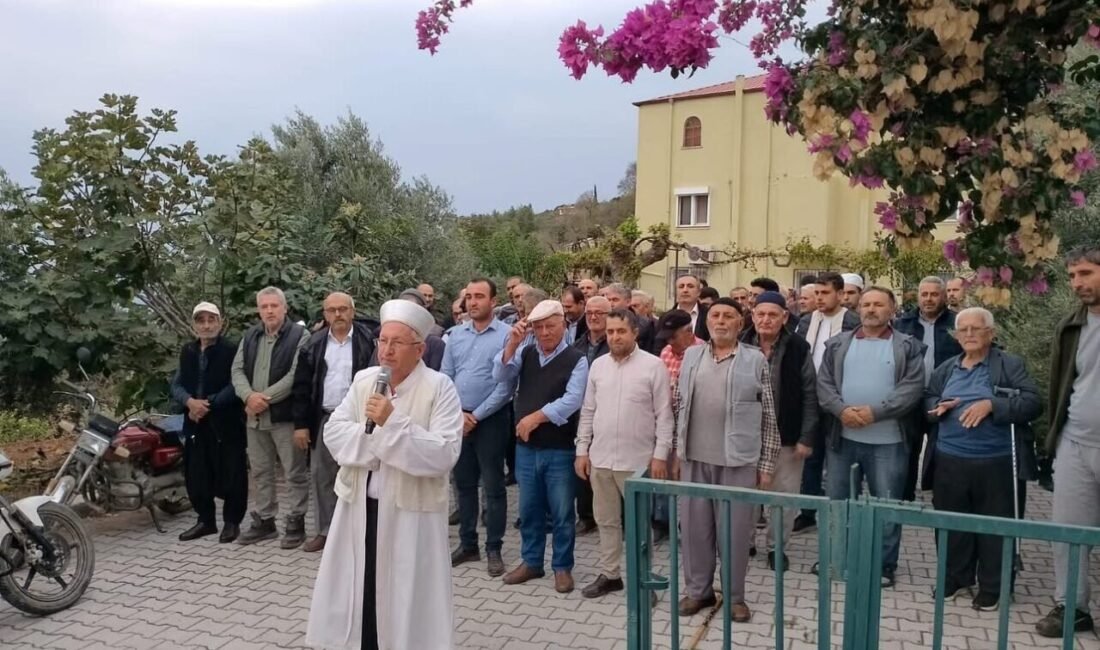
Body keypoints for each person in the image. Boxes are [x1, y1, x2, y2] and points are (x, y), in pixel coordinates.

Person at [306, 299, 462, 650]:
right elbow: (335, 433)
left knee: (406, 597)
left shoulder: (440, 388)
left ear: (420, 349)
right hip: (360, 509)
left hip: (410, 514)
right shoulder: (365, 380)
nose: (386, 351)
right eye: (382, 341)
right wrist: (381, 444)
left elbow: (444, 453)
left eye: (397, 343)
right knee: (361, 593)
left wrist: (392, 423)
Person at [925, 307, 1041, 611]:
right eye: (963, 329)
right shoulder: (948, 367)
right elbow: (928, 398)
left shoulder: (1009, 365)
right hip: (950, 459)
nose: (969, 334)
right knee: (952, 523)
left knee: (995, 526)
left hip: (997, 460)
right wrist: (939, 406)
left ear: (991, 333)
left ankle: (994, 586)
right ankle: (955, 578)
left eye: (977, 329)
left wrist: (992, 405)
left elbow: (1032, 402)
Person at [675, 298, 781, 622]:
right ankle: (698, 592)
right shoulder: (691, 355)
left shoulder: (754, 360)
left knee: (734, 533)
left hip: (738, 461)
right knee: (694, 532)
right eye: (716, 315)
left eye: (729, 316)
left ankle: (735, 596)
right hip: (694, 459)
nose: (721, 321)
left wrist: (765, 465)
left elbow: (768, 417)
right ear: (707, 322)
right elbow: (679, 404)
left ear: (740, 322)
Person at [816, 286, 925, 588]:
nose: (871, 310)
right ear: (858, 309)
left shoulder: (907, 346)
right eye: (866, 304)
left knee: (887, 506)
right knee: (838, 502)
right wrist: (842, 410)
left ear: (893, 310)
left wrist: (875, 412)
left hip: (888, 443)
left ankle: (883, 565)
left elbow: (912, 389)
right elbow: (824, 385)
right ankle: (837, 557)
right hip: (843, 439)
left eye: (879, 304)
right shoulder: (838, 344)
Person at [576, 309, 674, 598]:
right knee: (606, 521)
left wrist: (660, 455)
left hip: (637, 461)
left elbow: (664, 415)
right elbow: (588, 411)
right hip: (601, 458)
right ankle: (611, 574)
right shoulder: (598, 366)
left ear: (635, 333)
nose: (615, 337)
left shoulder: (653, 366)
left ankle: (643, 580)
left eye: (621, 331)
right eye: (610, 332)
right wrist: (582, 450)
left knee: (639, 526)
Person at [494, 300, 589, 593]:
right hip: (527, 448)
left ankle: (562, 567)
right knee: (530, 509)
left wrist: (535, 417)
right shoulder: (526, 352)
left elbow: (573, 399)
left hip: (560, 448)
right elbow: (501, 377)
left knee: (561, 512)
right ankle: (532, 562)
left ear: (564, 324)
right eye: (539, 327)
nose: (545, 332)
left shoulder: (577, 359)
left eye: (551, 325)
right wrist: (511, 344)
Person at [1035, 245, 1100, 638]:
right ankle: (1072, 608)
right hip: (1076, 443)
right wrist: (1055, 439)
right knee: (1068, 531)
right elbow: (1062, 384)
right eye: (1073, 275)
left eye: (1087, 273)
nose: (1077, 283)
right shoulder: (1072, 325)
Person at [292, 292, 377, 553]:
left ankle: (362, 531)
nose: (337, 315)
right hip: (324, 419)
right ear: (324, 314)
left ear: (352, 311)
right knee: (322, 476)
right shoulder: (313, 344)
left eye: (342, 309)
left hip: (360, 420)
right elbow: (302, 387)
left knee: (361, 474)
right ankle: (326, 531)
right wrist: (301, 425)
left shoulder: (368, 341)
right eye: (332, 310)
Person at [740, 292, 817, 571]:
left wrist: (807, 437)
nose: (766, 319)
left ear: (785, 317)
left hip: (787, 434)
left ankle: (776, 548)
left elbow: (810, 394)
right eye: (760, 314)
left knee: (782, 497)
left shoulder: (798, 347)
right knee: (746, 493)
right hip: (746, 436)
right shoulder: (741, 343)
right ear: (752, 315)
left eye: (773, 314)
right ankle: (744, 541)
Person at [445, 278, 515, 578]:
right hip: (458, 421)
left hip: (491, 421)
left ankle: (494, 548)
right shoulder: (455, 335)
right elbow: (445, 377)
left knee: (493, 486)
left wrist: (477, 415)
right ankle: (467, 544)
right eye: (469, 297)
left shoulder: (507, 335)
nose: (473, 302)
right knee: (463, 485)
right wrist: (458, 414)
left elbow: (507, 385)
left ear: (493, 300)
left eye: (479, 297)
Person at [231, 287, 311, 547]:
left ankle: (296, 521)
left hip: (284, 418)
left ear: (284, 308)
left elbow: (295, 375)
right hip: (254, 420)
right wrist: (247, 397)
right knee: (261, 472)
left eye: (274, 305)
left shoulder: (300, 335)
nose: (269, 311)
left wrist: (260, 399)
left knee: (294, 472)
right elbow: (237, 370)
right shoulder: (251, 335)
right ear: (259, 310)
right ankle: (266, 521)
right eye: (264, 306)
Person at [171, 302, 248, 544]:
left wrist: (207, 404)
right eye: (201, 320)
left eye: (211, 320)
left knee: (232, 473)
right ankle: (205, 521)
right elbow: (176, 384)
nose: (206, 325)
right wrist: (190, 403)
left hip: (225, 423)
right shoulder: (188, 351)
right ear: (194, 324)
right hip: (195, 422)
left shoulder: (231, 350)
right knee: (197, 474)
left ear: (220, 322)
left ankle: (231, 523)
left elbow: (236, 383)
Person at [793, 271, 861, 533]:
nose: (819, 298)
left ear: (841, 294)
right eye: (816, 293)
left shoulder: (853, 322)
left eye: (825, 293)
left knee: (838, 459)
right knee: (810, 456)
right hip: (810, 398)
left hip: (839, 400)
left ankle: (842, 514)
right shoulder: (806, 320)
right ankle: (808, 512)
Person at [894, 276, 962, 501]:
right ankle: (905, 498)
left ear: (944, 296)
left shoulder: (957, 324)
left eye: (934, 294)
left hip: (944, 398)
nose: (929, 299)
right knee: (907, 449)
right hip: (910, 397)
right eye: (925, 294)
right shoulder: (903, 324)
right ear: (918, 296)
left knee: (939, 451)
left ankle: (938, 496)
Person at [654, 309, 704, 539]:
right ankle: (663, 524)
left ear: (689, 331)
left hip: (693, 427)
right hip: (666, 423)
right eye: (666, 337)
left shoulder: (703, 352)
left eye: (673, 336)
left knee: (687, 476)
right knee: (664, 474)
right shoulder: (666, 352)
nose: (669, 341)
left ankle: (690, 526)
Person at [572, 295, 612, 535]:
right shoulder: (577, 345)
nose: (594, 317)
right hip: (582, 414)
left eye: (600, 313)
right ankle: (586, 517)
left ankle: (618, 517)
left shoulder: (616, 343)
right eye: (590, 313)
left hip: (608, 413)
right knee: (583, 465)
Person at [675, 274, 710, 341]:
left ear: (699, 292)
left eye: (690, 286)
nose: (685, 290)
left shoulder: (708, 315)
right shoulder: (665, 317)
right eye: (681, 286)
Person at [631, 289, 660, 354]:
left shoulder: (657, 325)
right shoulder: (627, 325)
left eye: (635, 306)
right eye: (630, 306)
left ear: (646, 307)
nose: (632, 309)